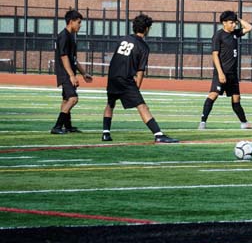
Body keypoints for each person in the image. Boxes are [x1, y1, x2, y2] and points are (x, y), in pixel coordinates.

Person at [101, 14, 178, 143]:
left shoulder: (123, 39)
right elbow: (140, 71)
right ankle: (158, 135)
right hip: (126, 79)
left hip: (113, 76)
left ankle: (105, 133)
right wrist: (137, 89)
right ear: (147, 28)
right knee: (142, 106)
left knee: (110, 104)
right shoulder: (143, 46)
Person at [198, 11, 252, 130]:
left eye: (234, 23)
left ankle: (244, 123)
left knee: (236, 99)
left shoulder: (235, 33)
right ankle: (202, 122)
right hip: (222, 73)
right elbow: (215, 55)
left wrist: (237, 18)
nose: (234, 25)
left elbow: (249, 27)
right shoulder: (218, 35)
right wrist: (220, 73)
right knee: (213, 95)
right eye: (231, 23)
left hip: (233, 74)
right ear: (224, 23)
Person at [51, 9, 93, 134]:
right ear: (71, 22)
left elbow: (73, 59)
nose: (80, 25)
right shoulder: (63, 36)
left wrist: (83, 73)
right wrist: (71, 76)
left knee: (66, 100)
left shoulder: (71, 36)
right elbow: (64, 57)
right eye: (78, 22)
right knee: (73, 99)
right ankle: (57, 127)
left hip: (68, 73)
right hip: (65, 73)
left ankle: (67, 126)